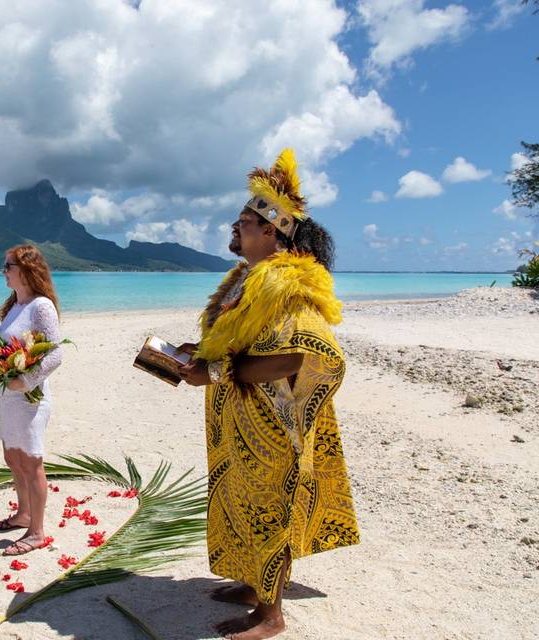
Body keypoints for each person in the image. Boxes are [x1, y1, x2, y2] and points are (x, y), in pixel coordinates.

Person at [178, 149, 359, 639]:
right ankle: (254, 584)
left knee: (268, 506)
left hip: (270, 422)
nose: (234, 230)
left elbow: (307, 353)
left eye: (243, 223)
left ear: (272, 232)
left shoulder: (288, 283)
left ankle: (271, 616)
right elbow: (238, 344)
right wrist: (200, 354)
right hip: (239, 418)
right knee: (242, 498)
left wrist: (220, 373)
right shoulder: (243, 279)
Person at [0, 244, 63, 556]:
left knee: (31, 463)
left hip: (31, 399)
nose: (4, 271)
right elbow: (0, 350)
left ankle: (36, 531)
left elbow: (55, 353)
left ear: (26, 270)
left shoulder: (41, 307)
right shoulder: (14, 307)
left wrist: (26, 380)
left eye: (8, 266)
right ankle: (23, 514)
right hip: (9, 396)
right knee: (13, 457)